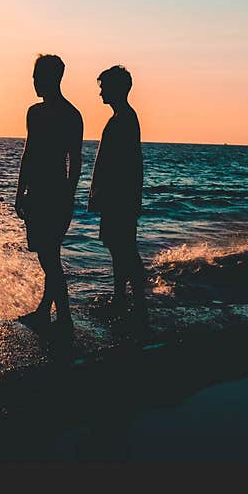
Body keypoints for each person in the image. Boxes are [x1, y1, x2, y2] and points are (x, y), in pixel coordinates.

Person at [15, 54, 84, 326]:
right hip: (38, 193)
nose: (34, 83)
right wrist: (20, 192)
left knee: (49, 257)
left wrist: (68, 196)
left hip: (54, 193)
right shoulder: (35, 112)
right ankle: (46, 310)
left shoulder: (70, 115)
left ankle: (63, 316)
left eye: (36, 78)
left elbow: (75, 161)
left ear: (50, 78)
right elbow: (28, 153)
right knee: (48, 254)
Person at [87, 65, 145, 315]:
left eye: (103, 87)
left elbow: (127, 163)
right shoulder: (122, 118)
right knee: (118, 248)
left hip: (120, 198)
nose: (100, 92)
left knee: (124, 249)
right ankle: (121, 297)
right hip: (118, 197)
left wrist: (109, 194)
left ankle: (135, 301)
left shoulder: (125, 119)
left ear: (116, 88)